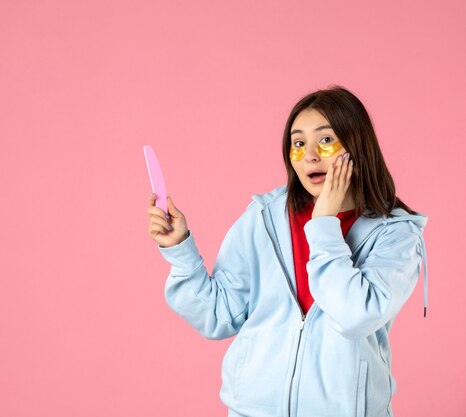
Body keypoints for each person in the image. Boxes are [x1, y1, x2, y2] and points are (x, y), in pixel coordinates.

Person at [146, 86, 428, 417]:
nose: (310, 155)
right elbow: (219, 314)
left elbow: (355, 316)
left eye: (325, 140)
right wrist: (180, 250)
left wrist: (324, 224)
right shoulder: (264, 217)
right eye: (298, 143)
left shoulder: (396, 234)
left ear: (357, 146)